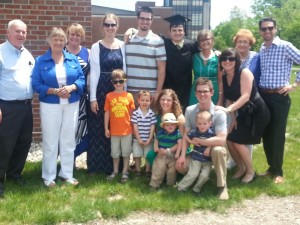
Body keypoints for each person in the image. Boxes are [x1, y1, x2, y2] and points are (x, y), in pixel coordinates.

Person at [32, 27, 85, 187]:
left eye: (61, 39)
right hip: (50, 105)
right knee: (51, 140)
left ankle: (66, 174)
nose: (58, 42)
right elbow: (36, 84)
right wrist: (54, 91)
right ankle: (48, 176)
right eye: (55, 39)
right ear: (49, 40)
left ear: (65, 41)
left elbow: (82, 79)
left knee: (68, 140)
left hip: (71, 103)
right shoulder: (40, 61)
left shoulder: (72, 59)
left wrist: (72, 87)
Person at [215, 48, 270, 183]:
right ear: (221, 61)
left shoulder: (244, 72)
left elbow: (245, 96)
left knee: (239, 142)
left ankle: (251, 172)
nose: (227, 61)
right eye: (224, 59)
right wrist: (233, 118)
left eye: (231, 59)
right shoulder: (223, 76)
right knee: (229, 139)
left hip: (257, 113)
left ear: (237, 60)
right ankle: (240, 168)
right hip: (242, 113)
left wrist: (228, 110)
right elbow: (229, 98)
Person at [257, 17, 300, 184]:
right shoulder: (262, 48)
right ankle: (271, 168)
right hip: (263, 96)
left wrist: (294, 85)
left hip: (279, 97)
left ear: (276, 29)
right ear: (260, 31)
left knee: (277, 134)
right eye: (264, 29)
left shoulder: (285, 46)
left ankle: (278, 171)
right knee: (267, 133)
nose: (267, 31)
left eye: (270, 28)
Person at [176, 78, 229, 200]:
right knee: (181, 167)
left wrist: (200, 141)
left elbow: (221, 140)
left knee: (218, 150)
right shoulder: (190, 110)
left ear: (212, 92)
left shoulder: (219, 113)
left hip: (213, 149)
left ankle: (222, 186)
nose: (202, 94)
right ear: (195, 93)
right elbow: (186, 135)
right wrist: (182, 155)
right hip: (197, 152)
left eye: (205, 91)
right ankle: (202, 176)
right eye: (199, 91)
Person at [0, 19, 35, 197]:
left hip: (26, 107)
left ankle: (14, 175)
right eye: (17, 31)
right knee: (4, 145)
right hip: (6, 107)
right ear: (8, 33)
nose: (21, 35)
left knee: (23, 142)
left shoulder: (27, 54)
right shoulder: (1, 52)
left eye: (24, 32)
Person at [88, 14, 126, 175]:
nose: (110, 27)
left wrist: (125, 92)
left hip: (118, 89)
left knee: (117, 126)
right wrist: (93, 98)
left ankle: (115, 166)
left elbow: (125, 71)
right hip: (102, 88)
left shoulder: (123, 45)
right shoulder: (96, 46)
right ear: (102, 27)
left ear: (117, 26)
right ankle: (97, 166)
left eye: (113, 24)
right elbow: (94, 72)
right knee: (99, 128)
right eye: (107, 24)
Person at [227, 29, 260, 169]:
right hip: (233, 101)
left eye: (245, 42)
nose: (242, 44)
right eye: (239, 41)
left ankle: (247, 162)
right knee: (232, 129)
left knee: (246, 132)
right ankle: (234, 161)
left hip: (249, 102)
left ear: (250, 44)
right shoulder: (231, 57)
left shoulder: (256, 57)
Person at [126, 6, 166, 101]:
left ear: (151, 21)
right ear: (137, 19)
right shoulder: (128, 39)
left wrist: (158, 92)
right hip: (129, 93)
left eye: (148, 19)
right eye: (142, 18)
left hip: (149, 94)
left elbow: (162, 69)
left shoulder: (158, 41)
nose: (145, 21)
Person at [64, 23, 90, 163]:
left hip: (81, 97)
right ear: (67, 36)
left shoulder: (87, 53)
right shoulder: (60, 51)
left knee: (79, 127)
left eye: (78, 34)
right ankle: (67, 162)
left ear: (82, 37)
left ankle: (73, 160)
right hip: (65, 96)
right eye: (72, 34)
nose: (75, 37)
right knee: (67, 129)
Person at [104, 69, 135, 183]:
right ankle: (116, 171)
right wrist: (106, 128)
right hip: (114, 131)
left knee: (126, 152)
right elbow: (107, 112)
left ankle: (125, 171)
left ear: (125, 81)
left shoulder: (129, 96)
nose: (118, 84)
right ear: (112, 82)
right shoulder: (109, 96)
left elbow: (131, 114)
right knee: (115, 153)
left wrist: (133, 128)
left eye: (121, 81)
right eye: (115, 82)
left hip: (127, 131)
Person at [162, 14, 198, 111]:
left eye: (180, 30)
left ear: (184, 31)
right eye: (174, 30)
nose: (177, 33)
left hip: (185, 90)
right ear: (169, 32)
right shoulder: (164, 43)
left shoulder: (191, 45)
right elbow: (149, 34)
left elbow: (205, 48)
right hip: (168, 89)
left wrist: (215, 51)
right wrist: (133, 30)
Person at [177, 111, 215, 194]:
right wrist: (191, 142)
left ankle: (196, 189)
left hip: (207, 160)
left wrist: (209, 147)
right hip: (196, 158)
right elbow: (185, 135)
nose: (202, 126)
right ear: (196, 123)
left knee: (204, 176)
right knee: (193, 174)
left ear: (210, 123)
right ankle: (181, 188)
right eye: (199, 124)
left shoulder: (212, 133)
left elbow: (216, 142)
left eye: (204, 124)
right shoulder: (194, 132)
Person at [146, 89, 185, 167]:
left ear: (173, 102)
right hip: (162, 146)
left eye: (168, 100)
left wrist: (168, 151)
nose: (165, 102)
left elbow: (183, 140)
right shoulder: (157, 115)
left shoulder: (179, 117)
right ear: (159, 100)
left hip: (176, 148)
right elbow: (157, 135)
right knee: (150, 155)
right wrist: (158, 148)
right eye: (163, 99)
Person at [149, 113, 182, 189]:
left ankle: (170, 184)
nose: (170, 126)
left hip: (172, 155)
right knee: (159, 168)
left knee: (172, 170)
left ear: (176, 125)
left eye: (172, 124)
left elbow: (180, 143)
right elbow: (156, 140)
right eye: (167, 125)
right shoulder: (160, 133)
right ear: (164, 126)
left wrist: (177, 153)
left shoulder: (177, 133)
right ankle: (154, 184)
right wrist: (156, 147)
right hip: (161, 155)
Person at [189, 30, 220, 106]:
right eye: (202, 40)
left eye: (207, 39)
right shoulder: (194, 57)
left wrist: (221, 97)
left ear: (212, 40)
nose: (205, 42)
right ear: (199, 43)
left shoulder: (218, 58)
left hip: (213, 91)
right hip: (196, 91)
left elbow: (220, 79)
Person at [131, 90, 157, 176]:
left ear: (150, 101)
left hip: (148, 139)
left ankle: (147, 170)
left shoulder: (152, 114)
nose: (144, 102)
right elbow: (135, 126)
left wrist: (150, 139)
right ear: (138, 101)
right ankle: (138, 170)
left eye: (147, 100)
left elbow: (152, 127)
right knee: (137, 155)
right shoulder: (135, 113)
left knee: (148, 155)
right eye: (142, 100)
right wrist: (138, 139)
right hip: (137, 139)